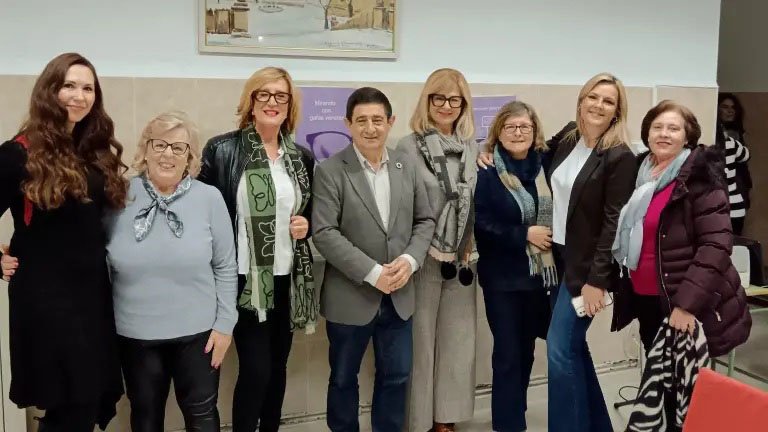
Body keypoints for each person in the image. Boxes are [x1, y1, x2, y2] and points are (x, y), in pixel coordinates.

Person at [0, 52, 127, 431]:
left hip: (91, 294)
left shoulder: (93, 151)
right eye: (69, 85)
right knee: (70, 403)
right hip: (46, 298)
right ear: (49, 91)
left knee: (84, 404)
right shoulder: (17, 153)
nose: (79, 95)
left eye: (88, 88)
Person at [611, 100, 752, 429]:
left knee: (687, 392)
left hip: (686, 302)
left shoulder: (700, 177)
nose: (663, 134)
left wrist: (686, 306)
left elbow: (716, 245)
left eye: (673, 128)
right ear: (647, 132)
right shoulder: (640, 173)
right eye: (657, 127)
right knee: (661, 385)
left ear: (688, 136)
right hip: (648, 297)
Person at [198, 66, 317, 432]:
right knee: (255, 370)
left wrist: (305, 224)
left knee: (278, 368)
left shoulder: (300, 157)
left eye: (280, 96)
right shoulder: (223, 150)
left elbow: (306, 209)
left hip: (288, 278)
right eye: (263, 94)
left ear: (289, 105)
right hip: (245, 278)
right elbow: (204, 211)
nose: (271, 102)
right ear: (250, 102)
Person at [311, 87, 435, 432]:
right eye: (361, 120)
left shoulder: (405, 165)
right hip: (350, 297)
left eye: (378, 120)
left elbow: (425, 220)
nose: (370, 128)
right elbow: (323, 232)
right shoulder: (331, 170)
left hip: (400, 296)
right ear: (348, 124)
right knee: (342, 380)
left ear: (390, 122)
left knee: (396, 376)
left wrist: (410, 260)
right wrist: (372, 272)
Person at [106, 112, 237, 431]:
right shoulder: (117, 196)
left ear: (190, 156)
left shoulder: (209, 198)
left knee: (202, 415)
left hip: (199, 334)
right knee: (146, 415)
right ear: (145, 150)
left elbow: (226, 265)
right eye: (160, 144)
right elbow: (93, 258)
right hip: (135, 333)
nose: (167, 154)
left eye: (178, 147)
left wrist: (225, 325)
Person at [397, 68, 478, 432]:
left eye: (454, 100)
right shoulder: (409, 146)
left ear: (463, 105)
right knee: (422, 342)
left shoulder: (474, 148)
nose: (446, 106)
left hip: (465, 258)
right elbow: (403, 205)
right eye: (439, 98)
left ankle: (446, 417)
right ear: (427, 101)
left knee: (457, 342)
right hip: (425, 257)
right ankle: (419, 420)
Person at [474, 101, 555, 432]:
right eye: (510, 127)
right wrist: (524, 234)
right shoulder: (488, 171)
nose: (518, 133)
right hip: (502, 280)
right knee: (507, 354)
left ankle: (516, 411)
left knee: (527, 351)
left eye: (525, 126)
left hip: (540, 279)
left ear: (535, 131)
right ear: (498, 133)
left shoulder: (546, 165)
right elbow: (480, 223)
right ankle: (507, 425)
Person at [716, 93, 751, 235]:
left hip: (736, 189)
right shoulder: (722, 135)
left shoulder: (734, 133)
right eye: (725, 107)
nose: (730, 111)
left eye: (733, 107)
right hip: (729, 193)